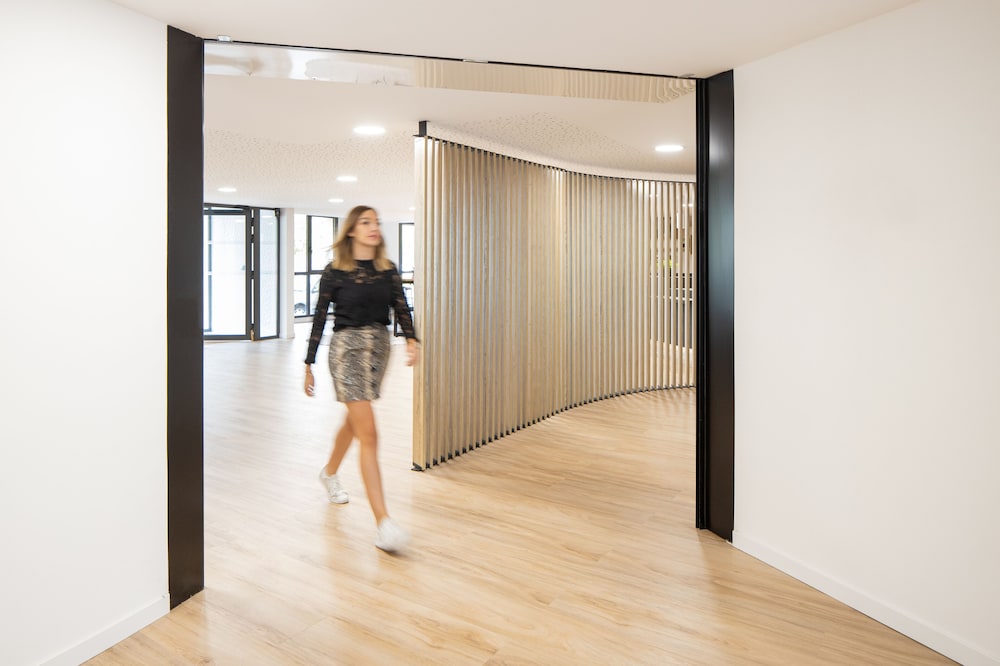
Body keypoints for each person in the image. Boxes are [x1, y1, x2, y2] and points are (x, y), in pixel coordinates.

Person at [303, 205, 420, 553]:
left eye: (376, 222)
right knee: (369, 433)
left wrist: (412, 340)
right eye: (366, 222)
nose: (374, 227)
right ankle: (383, 523)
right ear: (352, 230)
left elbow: (401, 307)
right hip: (346, 351)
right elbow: (320, 318)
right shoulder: (335, 271)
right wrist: (308, 363)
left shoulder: (387, 270)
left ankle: (329, 473)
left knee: (355, 422)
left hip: (379, 350)